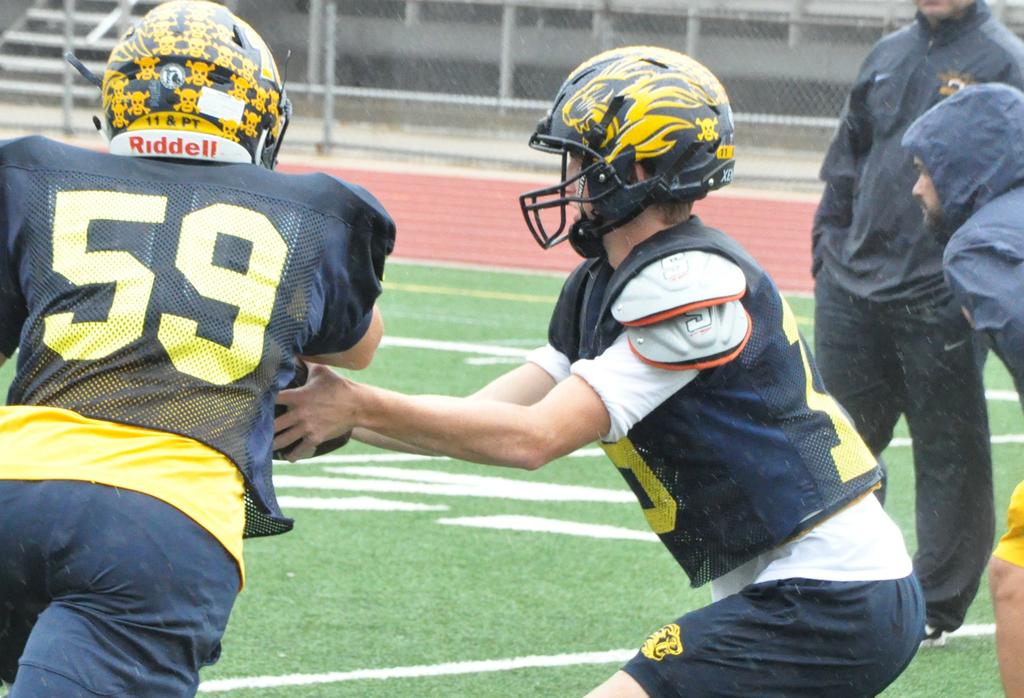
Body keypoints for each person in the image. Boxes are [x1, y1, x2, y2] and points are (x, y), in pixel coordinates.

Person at [274, 46, 924, 698]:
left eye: (581, 160)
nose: (570, 178)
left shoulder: (686, 284)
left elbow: (533, 439)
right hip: (806, 587)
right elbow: (485, 415)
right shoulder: (607, 281)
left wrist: (357, 405)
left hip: (831, 592)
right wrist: (316, 407)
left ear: (637, 169)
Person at [0, 1, 395, 695]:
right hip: (161, 520)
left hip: (13, 484)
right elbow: (358, 347)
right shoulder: (312, 212)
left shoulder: (34, 176)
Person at [810, 0, 1024, 644]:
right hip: (851, 285)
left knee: (949, 450)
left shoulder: (1006, 61)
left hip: (942, 290)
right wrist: (827, 246)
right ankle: (850, 581)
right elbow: (846, 157)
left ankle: (936, 602)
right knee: (836, 444)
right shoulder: (886, 54)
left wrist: (968, 271)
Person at [902, 82, 1024, 697]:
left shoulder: (977, 247)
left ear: (965, 166)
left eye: (926, 169)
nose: (917, 188)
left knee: (1016, 581)